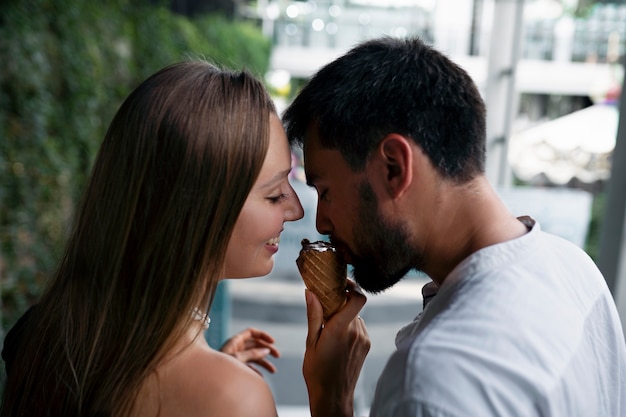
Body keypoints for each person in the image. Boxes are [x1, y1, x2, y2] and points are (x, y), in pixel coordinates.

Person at [0, 60, 371, 417]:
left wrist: (211, 365)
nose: (297, 211)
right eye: (275, 194)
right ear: (198, 211)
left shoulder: (41, 334)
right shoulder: (235, 400)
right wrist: (332, 402)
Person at [283, 36, 626, 417]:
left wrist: (330, 403)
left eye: (325, 191)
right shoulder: (575, 268)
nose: (321, 221)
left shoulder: (434, 378)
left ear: (394, 168)